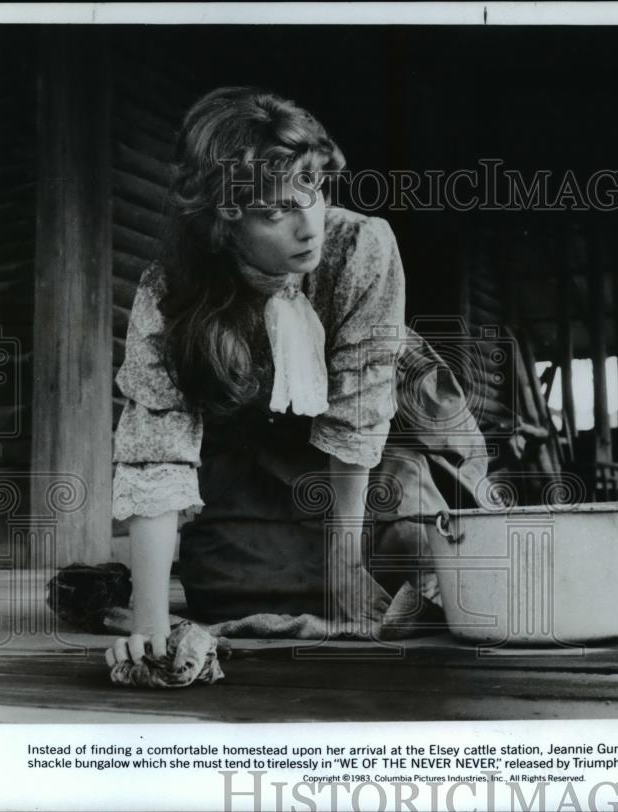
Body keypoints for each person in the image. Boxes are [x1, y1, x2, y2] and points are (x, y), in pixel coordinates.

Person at [105, 87, 487, 669]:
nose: (308, 225)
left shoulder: (362, 246)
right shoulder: (170, 292)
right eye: (274, 212)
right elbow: (158, 453)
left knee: (416, 556)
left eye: (314, 189)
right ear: (221, 225)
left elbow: (359, 417)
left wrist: (345, 573)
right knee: (225, 588)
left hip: (389, 443)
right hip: (260, 456)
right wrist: (151, 626)